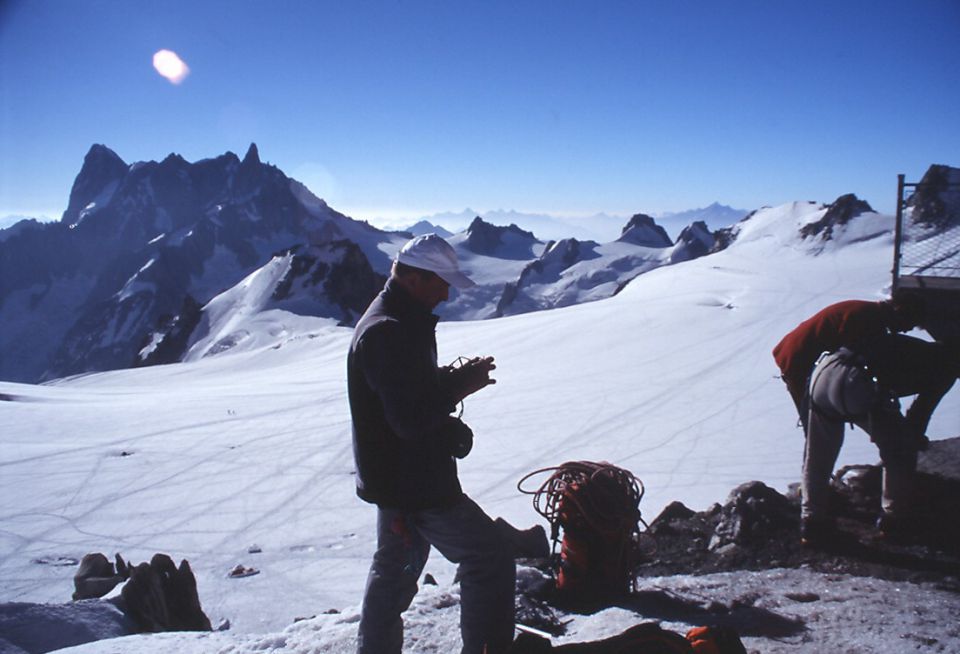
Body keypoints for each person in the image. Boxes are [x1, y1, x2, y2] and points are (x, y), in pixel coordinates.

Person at [347, 233, 516, 654]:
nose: (446, 292)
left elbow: (404, 392)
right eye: (441, 282)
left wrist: (450, 381)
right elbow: (408, 417)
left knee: (394, 574)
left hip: (396, 481)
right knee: (488, 557)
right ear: (416, 278)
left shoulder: (396, 319)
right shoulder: (390, 331)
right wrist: (459, 387)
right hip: (416, 484)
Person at [772, 293, 957, 545]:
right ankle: (894, 520)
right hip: (842, 374)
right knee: (899, 450)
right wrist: (909, 433)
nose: (911, 328)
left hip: (821, 372)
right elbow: (914, 404)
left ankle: (812, 520)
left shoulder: (873, 323)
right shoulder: (943, 362)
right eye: (911, 321)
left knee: (819, 449)